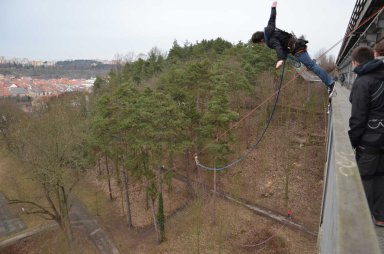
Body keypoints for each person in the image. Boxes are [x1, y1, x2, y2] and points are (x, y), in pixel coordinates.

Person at [251, 1, 335, 98]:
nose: (261, 44)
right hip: (297, 46)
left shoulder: (270, 40)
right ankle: (328, 82)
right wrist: (273, 7)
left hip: (297, 49)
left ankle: (330, 83)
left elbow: (278, 47)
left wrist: (280, 60)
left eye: (260, 43)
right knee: (308, 64)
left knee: (312, 66)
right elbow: (272, 17)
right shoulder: (270, 28)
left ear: (261, 40)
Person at [348, 46, 384, 227]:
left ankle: (360, 222)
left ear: (355, 62)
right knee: (381, 176)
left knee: (364, 178)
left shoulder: (362, 82)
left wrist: (352, 142)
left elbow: (358, 118)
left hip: (369, 140)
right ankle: (380, 217)